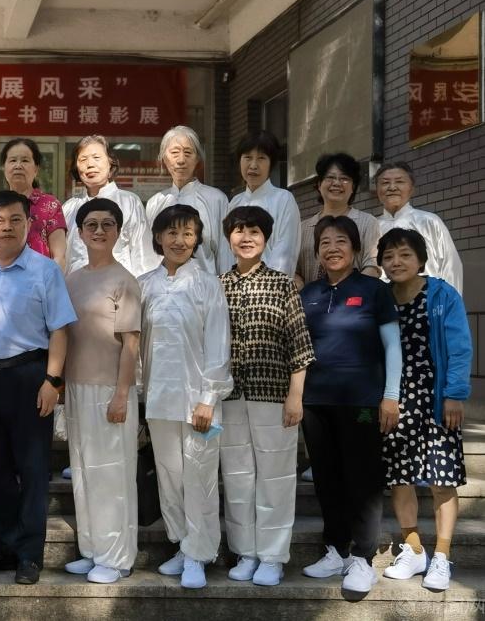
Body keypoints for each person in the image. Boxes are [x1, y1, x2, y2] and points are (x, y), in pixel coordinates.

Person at [0, 191, 76, 586]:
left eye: (15, 219)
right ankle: (3, 547)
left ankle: (29, 555)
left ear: (29, 224)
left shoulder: (45, 271)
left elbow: (59, 329)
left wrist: (53, 380)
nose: (7, 227)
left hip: (30, 376)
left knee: (32, 470)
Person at [299, 215, 401, 594]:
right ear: (317, 252)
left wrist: (391, 395)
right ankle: (336, 549)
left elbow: (393, 346)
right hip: (316, 402)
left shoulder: (375, 291)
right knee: (327, 479)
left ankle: (362, 558)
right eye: (325, 242)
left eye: (341, 241)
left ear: (356, 249)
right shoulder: (308, 294)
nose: (333, 248)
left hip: (362, 401)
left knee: (363, 479)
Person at [218, 206, 315, 587]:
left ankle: (273, 556)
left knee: (275, 477)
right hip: (228, 397)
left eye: (254, 231)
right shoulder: (217, 285)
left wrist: (296, 395)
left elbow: (300, 345)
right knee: (237, 477)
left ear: (266, 238)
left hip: (274, 396)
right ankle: (246, 552)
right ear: (228, 238)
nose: (246, 238)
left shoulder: (282, 284)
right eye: (239, 231)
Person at [140, 204, 232, 590]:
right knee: (170, 476)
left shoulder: (208, 284)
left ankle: (199, 553)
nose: (180, 240)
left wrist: (209, 397)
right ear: (158, 237)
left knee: (200, 477)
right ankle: (181, 543)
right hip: (158, 398)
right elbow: (138, 346)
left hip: (199, 400)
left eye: (188, 234)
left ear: (197, 240)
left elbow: (219, 344)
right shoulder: (144, 284)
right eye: (172, 232)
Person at [377, 228, 472, 591]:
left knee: (441, 479)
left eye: (404, 254)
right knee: (400, 476)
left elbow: (459, 346)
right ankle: (414, 549)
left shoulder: (442, 294)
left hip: (436, 399)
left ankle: (442, 556)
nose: (396, 262)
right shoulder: (381, 297)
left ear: (420, 259)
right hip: (394, 400)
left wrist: (455, 394)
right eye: (389, 256)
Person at [60, 197, 141, 585]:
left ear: (118, 232)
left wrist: (122, 394)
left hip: (111, 388)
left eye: (107, 224)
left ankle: (116, 556)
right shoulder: (72, 279)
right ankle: (92, 549)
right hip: (77, 387)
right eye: (91, 224)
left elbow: (131, 344)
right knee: (83, 472)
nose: (98, 231)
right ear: (79, 232)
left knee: (112, 475)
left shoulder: (125, 281)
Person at [61, 135, 154, 277]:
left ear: (110, 163)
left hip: (119, 286)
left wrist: (138, 288)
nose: (90, 164)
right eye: (83, 159)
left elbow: (144, 257)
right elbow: (62, 256)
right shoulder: (69, 207)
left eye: (96, 158)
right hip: (76, 287)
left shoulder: (129, 202)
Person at [145, 125, 230, 275]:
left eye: (188, 153)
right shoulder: (155, 203)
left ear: (197, 159)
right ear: (164, 158)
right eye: (174, 153)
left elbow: (225, 253)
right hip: (163, 287)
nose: (181, 160)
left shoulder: (216, 199)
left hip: (205, 287)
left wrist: (224, 287)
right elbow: (150, 256)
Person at [217, 130, 300, 276]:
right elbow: (225, 253)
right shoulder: (234, 203)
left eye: (261, 158)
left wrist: (264, 285)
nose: (253, 165)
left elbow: (285, 253)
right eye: (248, 157)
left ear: (271, 164)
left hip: (269, 287)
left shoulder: (283, 199)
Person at [374, 162, 463, 293]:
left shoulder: (429, 221)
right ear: (377, 190)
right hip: (381, 300)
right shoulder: (371, 226)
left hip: (428, 299)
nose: (392, 187)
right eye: (385, 183)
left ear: (412, 189)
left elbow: (450, 265)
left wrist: (450, 301)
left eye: (399, 182)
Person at [295, 153, 381, 286]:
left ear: (353, 187)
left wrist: (346, 293)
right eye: (330, 177)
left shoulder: (368, 222)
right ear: (319, 184)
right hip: (311, 298)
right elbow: (294, 270)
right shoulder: (302, 228)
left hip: (355, 297)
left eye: (344, 178)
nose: (336, 183)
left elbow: (373, 266)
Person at [1, 137, 66, 270]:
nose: (18, 166)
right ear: (4, 168)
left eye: (25, 160)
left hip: (41, 279)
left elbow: (59, 256)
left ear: (36, 169)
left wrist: (52, 280)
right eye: (13, 160)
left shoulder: (50, 205)